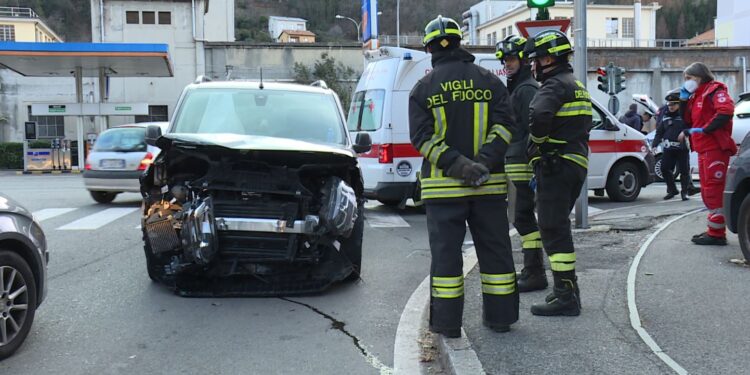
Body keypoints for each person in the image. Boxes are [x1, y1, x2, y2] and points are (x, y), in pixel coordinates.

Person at [409, 15, 519, 337]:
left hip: (443, 193)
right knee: (496, 253)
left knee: (446, 261)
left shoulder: (422, 89)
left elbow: (422, 139)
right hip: (488, 187)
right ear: (460, 43)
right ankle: (500, 319)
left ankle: (447, 324)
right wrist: (481, 164)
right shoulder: (490, 81)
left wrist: (459, 167)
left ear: (429, 48)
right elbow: (505, 127)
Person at [524, 29, 591, 316]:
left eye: (536, 59)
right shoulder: (575, 84)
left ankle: (565, 295)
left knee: (553, 227)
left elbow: (538, 116)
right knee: (557, 225)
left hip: (556, 163)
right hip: (574, 163)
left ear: (549, 58)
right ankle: (566, 290)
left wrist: (536, 145)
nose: (533, 65)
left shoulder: (553, 86)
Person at [495, 35, 546, 292]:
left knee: (523, 219)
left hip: (523, 165)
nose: (508, 64)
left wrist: (530, 162)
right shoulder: (518, 87)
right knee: (522, 218)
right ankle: (532, 269)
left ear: (524, 60)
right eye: (505, 60)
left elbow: (530, 129)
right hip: (515, 163)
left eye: (512, 59)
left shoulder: (526, 89)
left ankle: (535, 271)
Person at [678, 62, 737, 246]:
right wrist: (683, 99)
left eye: (689, 78)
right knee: (707, 190)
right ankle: (714, 230)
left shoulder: (715, 91)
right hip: (704, 148)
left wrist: (705, 130)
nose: (687, 82)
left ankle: (717, 234)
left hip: (715, 147)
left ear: (699, 76)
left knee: (713, 189)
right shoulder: (697, 96)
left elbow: (726, 112)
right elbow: (687, 119)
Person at [652, 89, 690, 201]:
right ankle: (672, 189)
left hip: (682, 147)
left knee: (684, 171)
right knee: (664, 169)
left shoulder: (684, 116)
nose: (671, 106)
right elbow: (659, 132)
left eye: (673, 104)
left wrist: (686, 132)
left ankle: (684, 192)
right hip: (669, 148)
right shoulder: (665, 117)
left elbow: (691, 127)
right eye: (669, 104)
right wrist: (654, 144)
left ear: (679, 104)